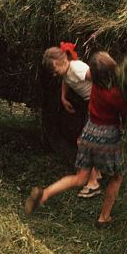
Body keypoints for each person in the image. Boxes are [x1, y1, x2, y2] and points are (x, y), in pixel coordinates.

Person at [25, 51, 127, 226]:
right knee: (117, 177)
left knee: (80, 178)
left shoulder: (94, 88)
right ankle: (104, 217)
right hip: (106, 135)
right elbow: (126, 112)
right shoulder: (115, 95)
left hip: (88, 133)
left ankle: (45, 194)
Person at [41, 44, 101, 198]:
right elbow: (66, 81)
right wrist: (63, 97)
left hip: (97, 104)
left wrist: (99, 101)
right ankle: (97, 172)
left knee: (84, 141)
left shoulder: (77, 69)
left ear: (63, 61)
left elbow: (97, 78)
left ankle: (93, 183)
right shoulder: (67, 71)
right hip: (91, 104)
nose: (55, 74)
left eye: (55, 71)